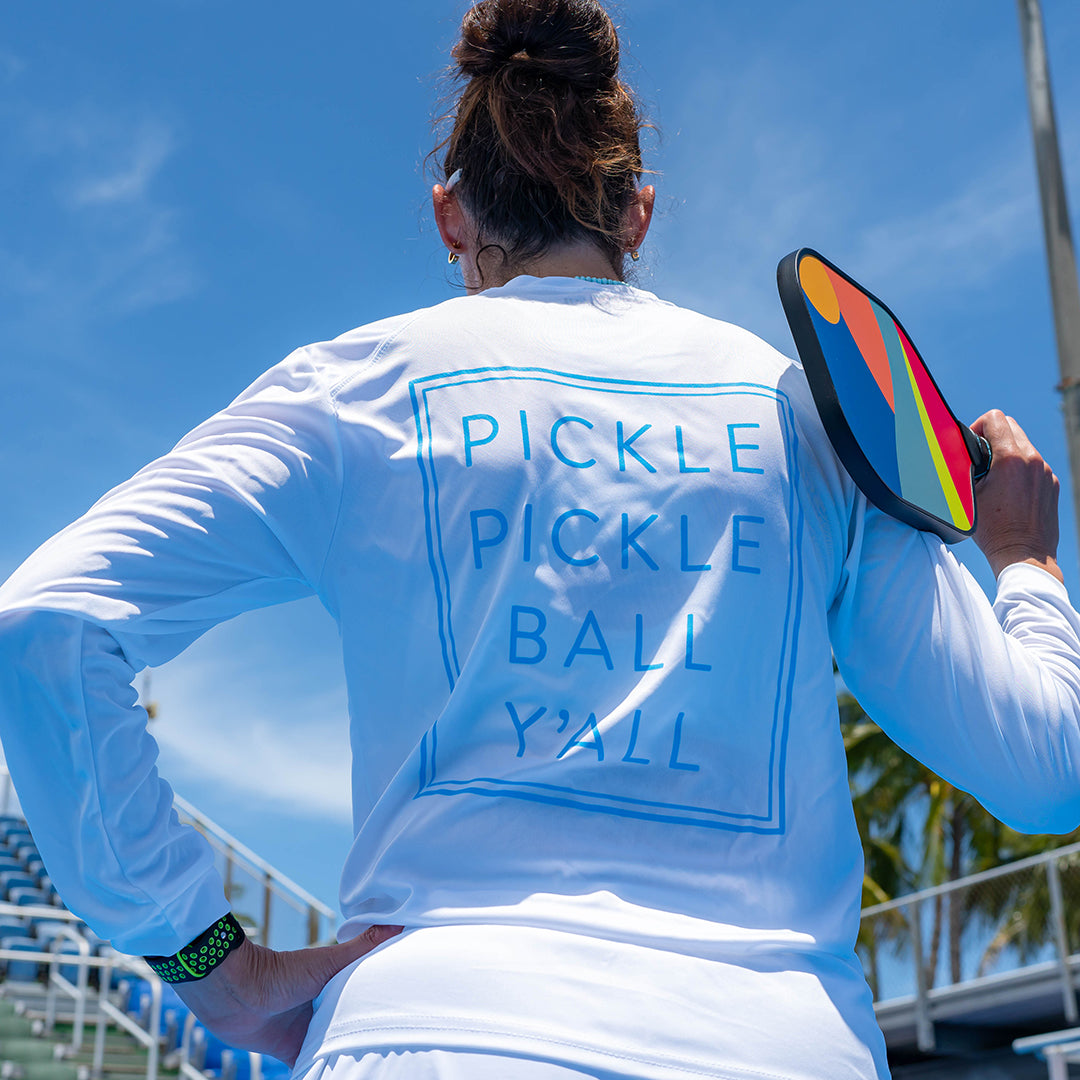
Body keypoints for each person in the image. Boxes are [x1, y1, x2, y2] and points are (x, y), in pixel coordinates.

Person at [0, 0, 1077, 1077]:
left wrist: (215, 967)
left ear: (450, 219)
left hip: (435, 1032)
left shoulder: (356, 388)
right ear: (639, 215)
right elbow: (1044, 772)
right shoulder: (805, 415)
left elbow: (52, 619)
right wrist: (1023, 562)